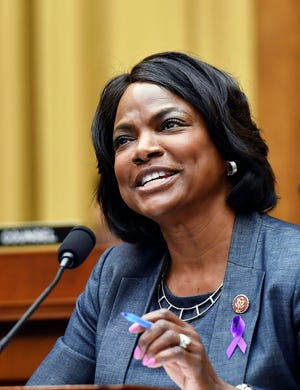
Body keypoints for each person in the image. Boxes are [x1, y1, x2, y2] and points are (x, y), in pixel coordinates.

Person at [27, 51, 300, 389]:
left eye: (169, 124)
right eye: (123, 140)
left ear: (227, 144)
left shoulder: (292, 266)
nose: (142, 149)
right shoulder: (116, 273)